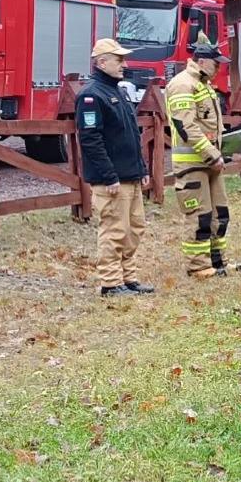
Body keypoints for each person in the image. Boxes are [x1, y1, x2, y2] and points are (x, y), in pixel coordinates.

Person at [77, 39, 152, 296]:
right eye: (119, 60)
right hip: (111, 180)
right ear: (101, 62)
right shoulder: (91, 96)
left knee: (134, 227)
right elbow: (90, 140)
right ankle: (110, 283)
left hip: (129, 176)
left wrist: (141, 169)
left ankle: (128, 278)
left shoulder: (118, 91)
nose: (125, 64)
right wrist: (108, 175)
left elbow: (130, 135)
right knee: (114, 230)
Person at [166, 42, 236, 279]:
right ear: (202, 61)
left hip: (211, 162)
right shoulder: (182, 85)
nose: (219, 69)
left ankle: (217, 262)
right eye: (216, 64)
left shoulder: (204, 86)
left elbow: (210, 125)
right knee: (200, 215)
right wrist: (211, 153)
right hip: (193, 163)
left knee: (220, 213)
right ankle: (198, 266)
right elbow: (186, 126)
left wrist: (226, 146)